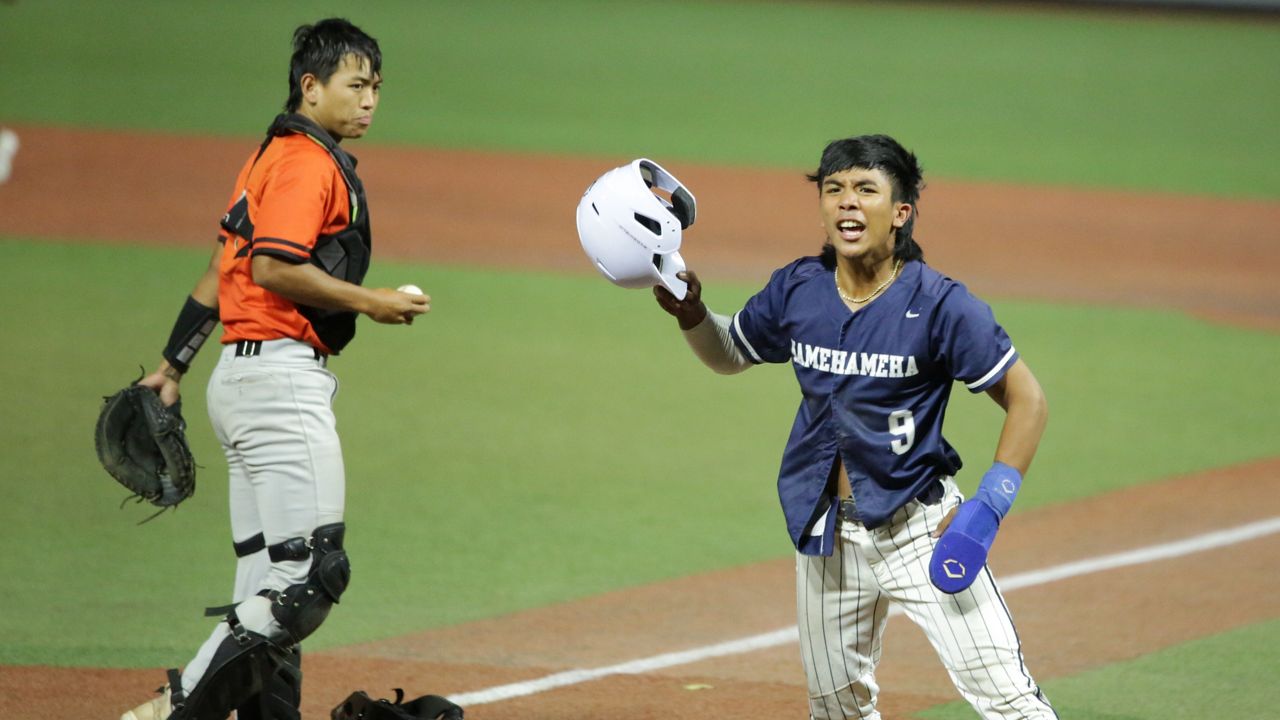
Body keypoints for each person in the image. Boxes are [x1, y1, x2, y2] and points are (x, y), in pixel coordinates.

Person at [653, 134, 1056, 719]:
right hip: (825, 537)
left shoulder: (941, 305)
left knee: (1008, 700)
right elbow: (731, 352)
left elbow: (1028, 399)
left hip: (922, 529)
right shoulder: (799, 289)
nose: (846, 202)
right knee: (837, 711)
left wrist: (985, 508)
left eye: (866, 190)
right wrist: (693, 314)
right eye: (834, 189)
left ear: (901, 213)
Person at [120, 18, 429, 720]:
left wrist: (172, 365)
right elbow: (269, 267)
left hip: (244, 381)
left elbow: (219, 268)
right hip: (279, 384)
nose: (370, 100)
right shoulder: (305, 164)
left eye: (376, 87)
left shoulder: (270, 157)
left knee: (268, 588)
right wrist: (370, 302)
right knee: (306, 581)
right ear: (310, 86)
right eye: (356, 85)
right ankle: (174, 710)